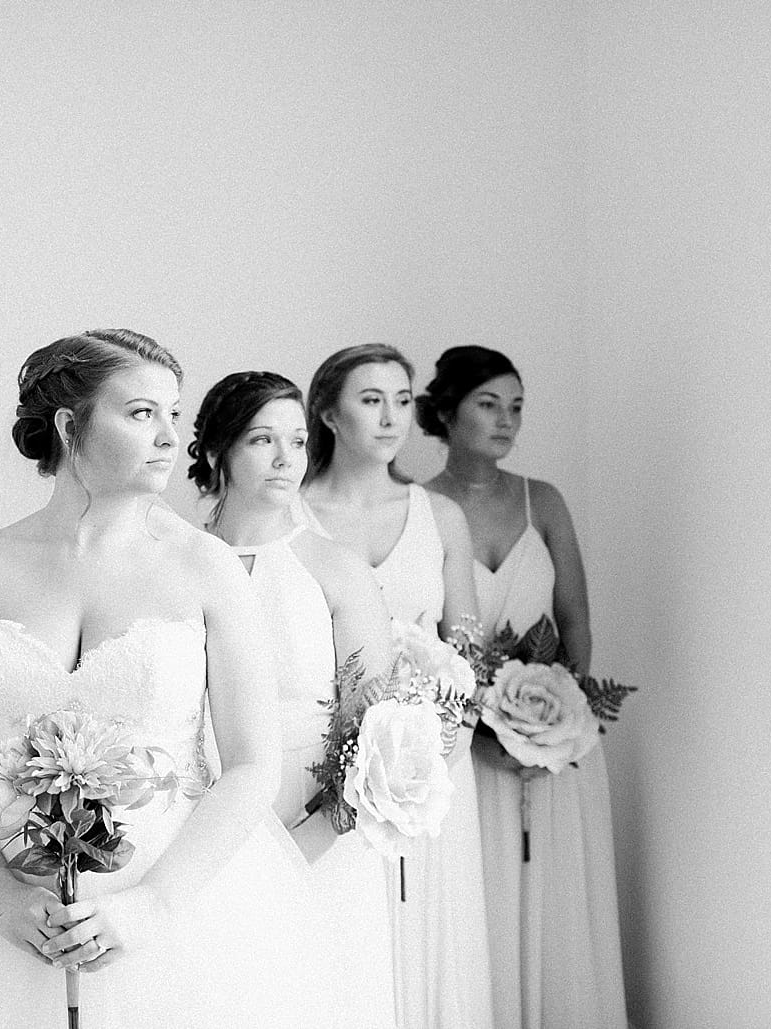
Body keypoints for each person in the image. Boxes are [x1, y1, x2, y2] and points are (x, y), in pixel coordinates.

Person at [0, 330, 317, 1028]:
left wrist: (152, 905)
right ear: (68, 424)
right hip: (14, 910)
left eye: (172, 415)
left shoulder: (204, 565)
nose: (170, 437)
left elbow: (251, 763)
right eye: (142, 413)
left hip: (172, 903)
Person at [418, 345, 625, 1029]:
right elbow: (424, 635)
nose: (506, 420)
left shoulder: (545, 499)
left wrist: (557, 717)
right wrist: (480, 724)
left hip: (553, 743)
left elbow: (574, 617)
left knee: (554, 900)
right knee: (477, 895)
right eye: (488, 403)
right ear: (445, 411)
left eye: (516, 406)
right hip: (463, 747)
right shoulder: (419, 507)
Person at [189, 370, 397, 1027]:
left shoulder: (335, 568)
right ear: (217, 450)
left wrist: (308, 838)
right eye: (261, 440)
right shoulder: (173, 562)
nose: (286, 459)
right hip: (199, 827)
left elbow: (377, 733)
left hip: (315, 827)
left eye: (297, 440)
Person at [302, 343, 495, 1028]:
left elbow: (467, 648)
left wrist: (439, 741)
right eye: (370, 399)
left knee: (428, 927)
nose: (390, 417)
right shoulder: (293, 515)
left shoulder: (438, 515)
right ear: (326, 410)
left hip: (429, 760)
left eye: (402, 400)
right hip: (325, 755)